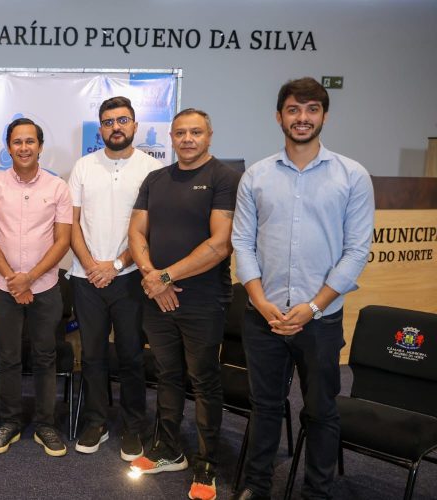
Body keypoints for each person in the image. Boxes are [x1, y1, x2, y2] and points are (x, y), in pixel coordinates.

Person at [230, 78, 374, 500]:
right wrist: (258, 300)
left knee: (322, 410)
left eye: (312, 109)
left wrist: (313, 306)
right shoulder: (256, 175)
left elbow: (356, 251)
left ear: (324, 116)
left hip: (321, 319)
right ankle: (257, 486)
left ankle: (317, 491)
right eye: (294, 109)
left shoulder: (352, 176)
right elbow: (242, 242)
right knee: (266, 407)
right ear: (280, 117)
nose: (302, 118)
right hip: (264, 317)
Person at [128, 108, 241, 500]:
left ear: (209, 136)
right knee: (166, 374)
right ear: (171, 138)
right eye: (180, 133)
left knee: (204, 380)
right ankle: (168, 448)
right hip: (157, 296)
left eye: (196, 132)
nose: (187, 139)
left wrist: (164, 277)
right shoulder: (155, 178)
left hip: (204, 301)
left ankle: (207, 463)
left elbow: (219, 244)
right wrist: (152, 277)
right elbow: (137, 231)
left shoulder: (224, 178)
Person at [68, 96, 161, 460]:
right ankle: (96, 421)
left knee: (131, 356)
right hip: (85, 277)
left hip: (130, 277)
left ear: (135, 126)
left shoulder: (152, 170)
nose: (115, 127)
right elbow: (72, 224)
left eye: (122, 120)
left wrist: (117, 265)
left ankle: (133, 426)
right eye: (108, 122)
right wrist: (92, 264)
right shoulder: (83, 167)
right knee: (91, 355)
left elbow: (150, 228)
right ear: (100, 128)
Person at [0, 117, 73, 457]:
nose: (24, 147)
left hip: (45, 287)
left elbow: (63, 241)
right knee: (9, 357)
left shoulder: (58, 188)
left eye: (30, 141)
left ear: (40, 146)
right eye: (17, 142)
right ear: (8, 147)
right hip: (4, 288)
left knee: (46, 356)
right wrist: (13, 279)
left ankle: (45, 424)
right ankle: (10, 421)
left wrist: (29, 278)